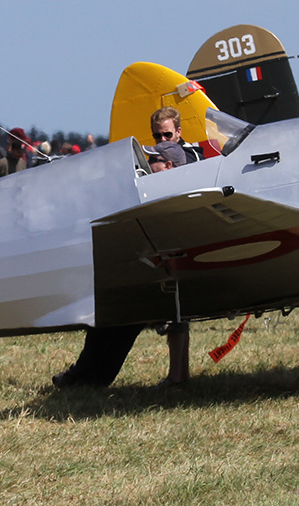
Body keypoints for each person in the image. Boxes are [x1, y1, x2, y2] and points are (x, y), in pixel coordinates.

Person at [54, 108, 203, 389]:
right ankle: (89, 375)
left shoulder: (191, 158)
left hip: (174, 249)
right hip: (157, 249)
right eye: (157, 136)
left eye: (167, 135)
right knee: (138, 316)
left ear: (179, 133)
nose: (161, 141)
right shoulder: (155, 160)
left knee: (162, 314)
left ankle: (175, 376)